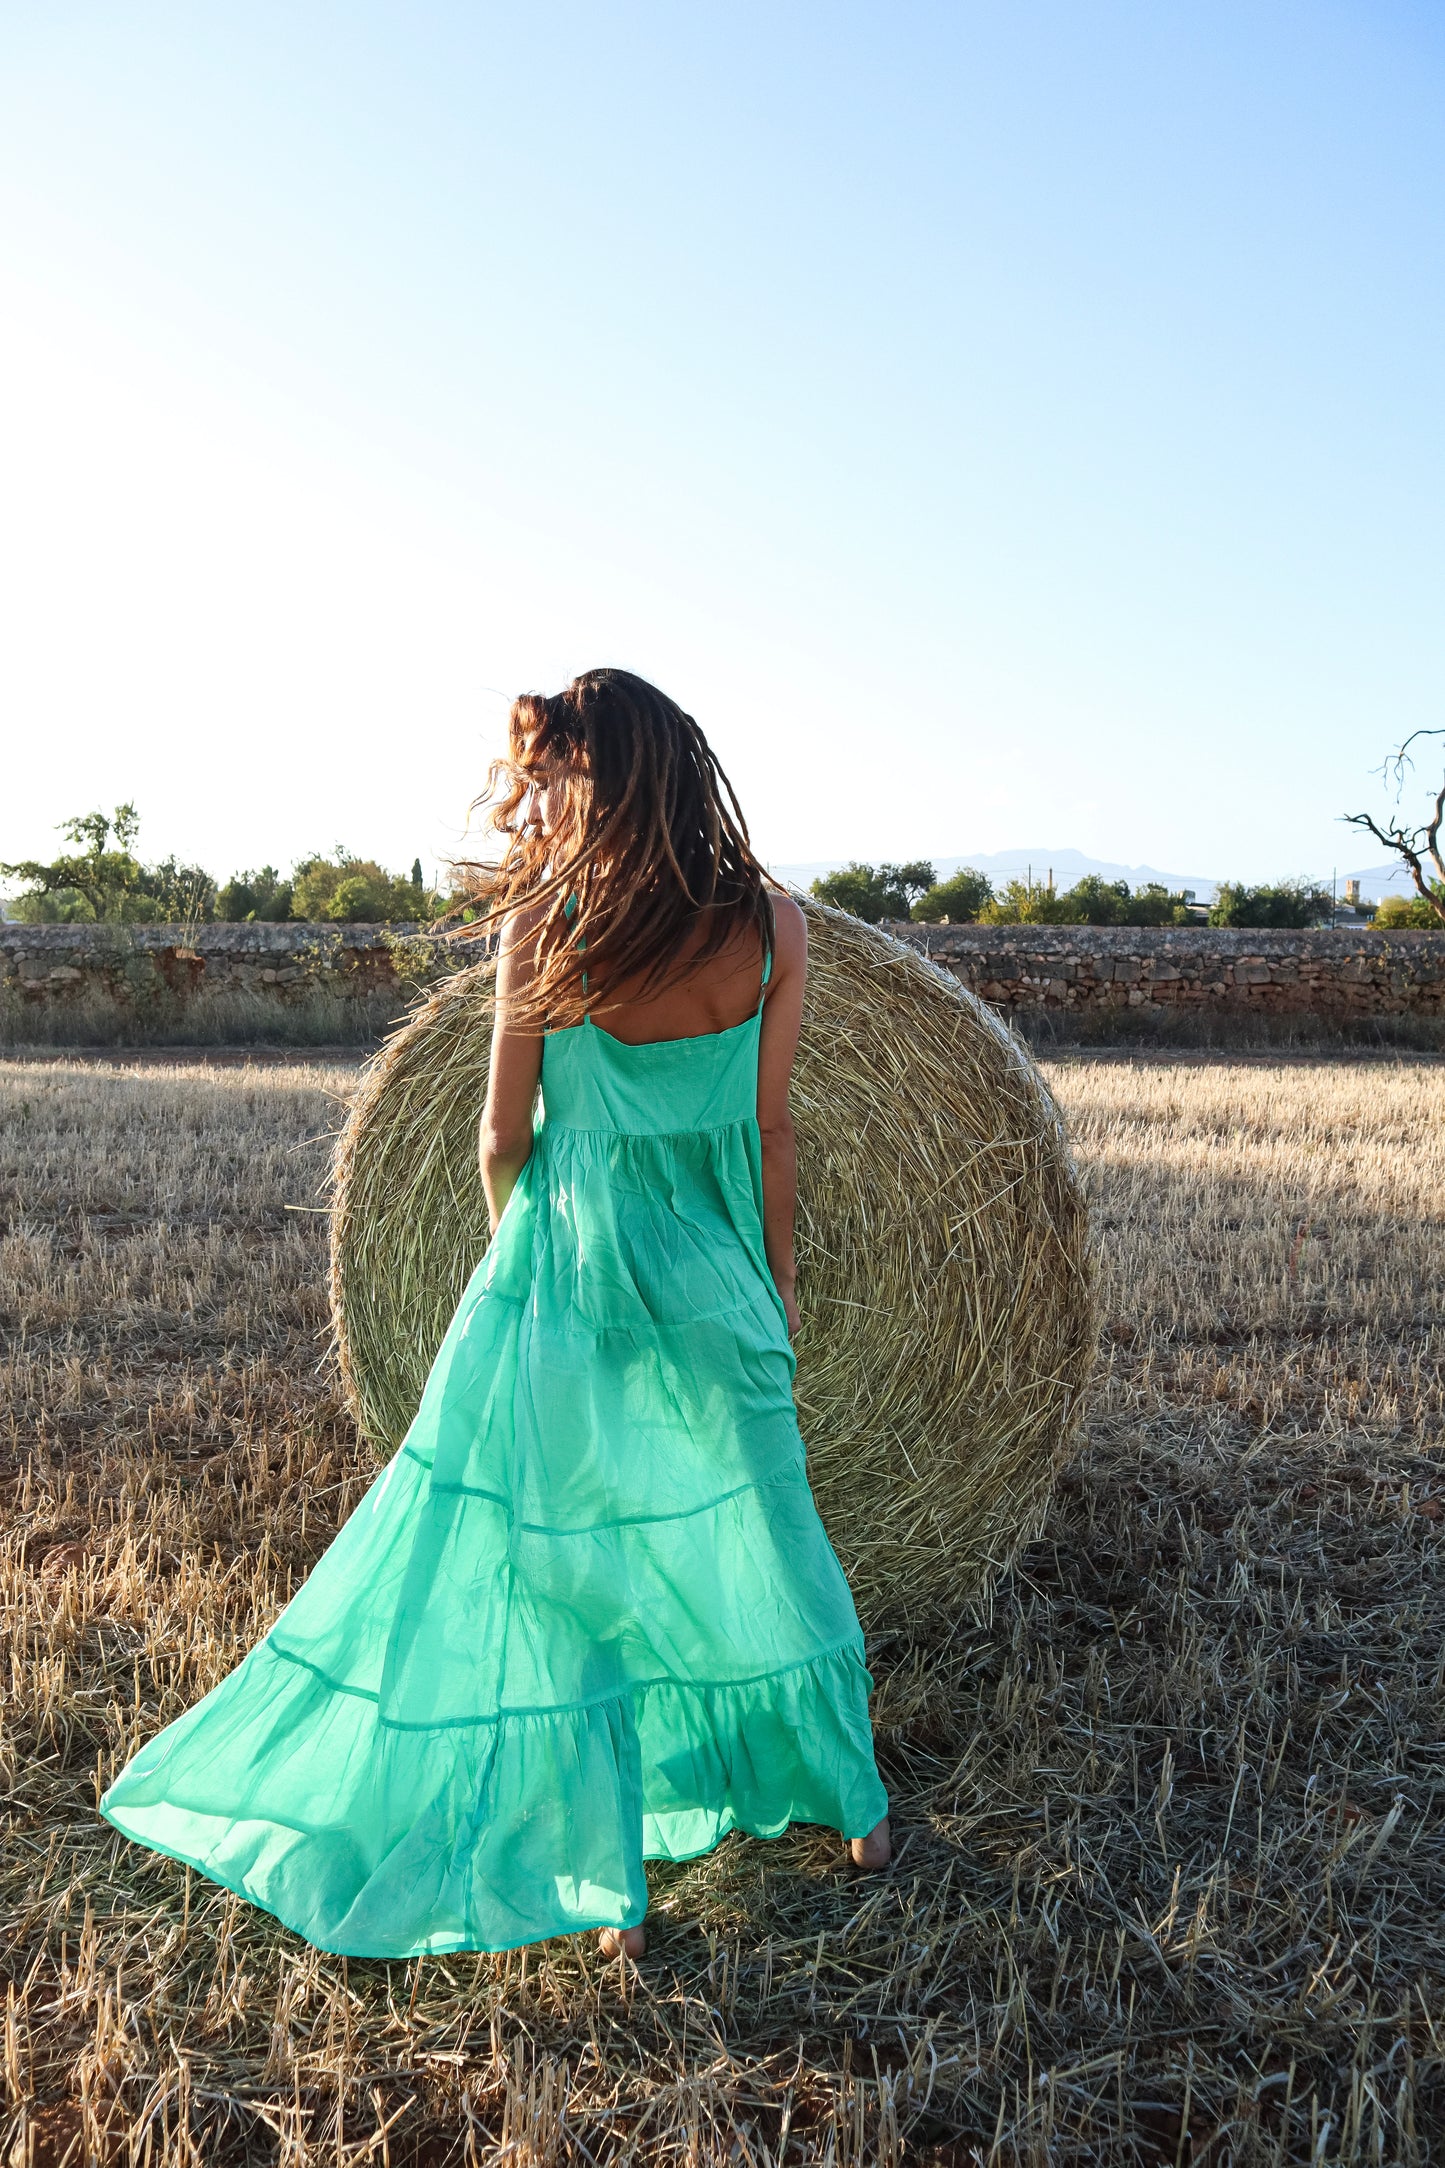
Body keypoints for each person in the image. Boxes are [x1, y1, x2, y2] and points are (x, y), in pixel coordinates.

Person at [99, 667, 890, 1960]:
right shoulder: (774, 928)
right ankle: (858, 1815)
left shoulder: (548, 924)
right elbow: (768, 1128)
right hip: (718, 1281)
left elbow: (497, 1137)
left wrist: (527, 1252)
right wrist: (774, 1284)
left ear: (594, 776)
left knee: (569, 1568)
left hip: (567, 1273)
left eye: (554, 773)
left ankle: (611, 1890)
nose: (539, 796)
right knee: (766, 1528)